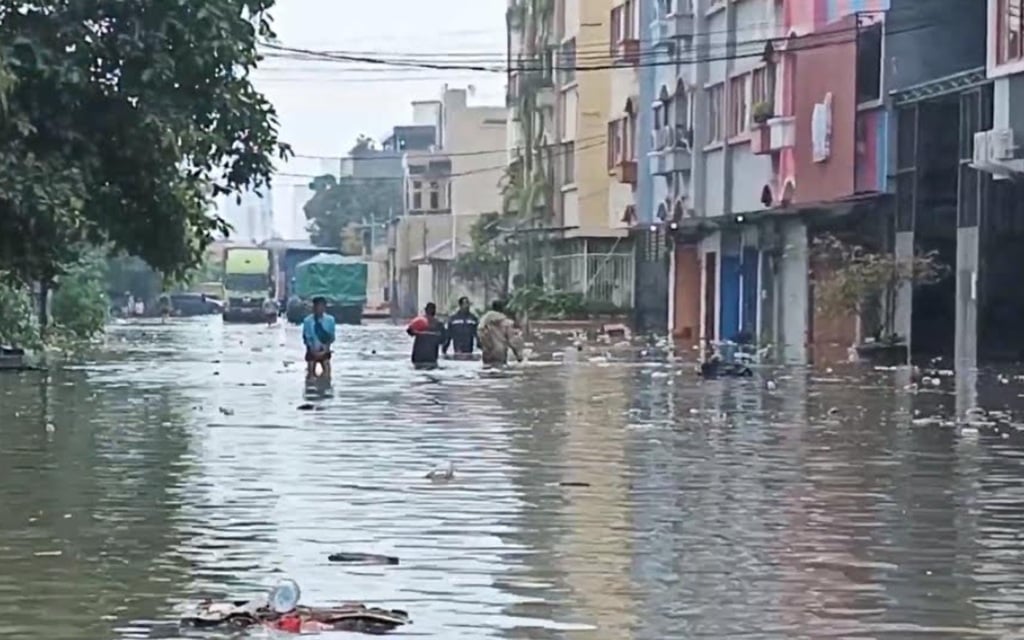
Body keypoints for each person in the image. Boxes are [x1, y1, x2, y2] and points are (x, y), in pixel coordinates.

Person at [477, 300, 523, 366]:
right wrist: (518, 356)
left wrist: (485, 346)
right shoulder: (507, 323)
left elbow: (480, 335)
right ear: (502, 309)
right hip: (500, 353)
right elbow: (512, 341)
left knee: (487, 369)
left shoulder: (483, 322)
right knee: (500, 370)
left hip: (487, 353)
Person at [302, 296, 336, 378]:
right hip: (312, 350)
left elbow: (331, 337)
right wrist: (313, 351)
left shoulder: (330, 320)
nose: (319, 309)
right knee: (310, 374)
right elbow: (306, 339)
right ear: (313, 308)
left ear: (324, 307)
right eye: (317, 306)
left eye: (321, 306)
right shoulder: (307, 321)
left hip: (325, 350)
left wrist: (325, 351)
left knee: (327, 373)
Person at [406, 302, 446, 369]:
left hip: (418, 357)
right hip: (431, 357)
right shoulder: (439, 324)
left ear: (425, 310)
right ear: (435, 311)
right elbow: (443, 340)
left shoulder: (418, 321)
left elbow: (409, 331)